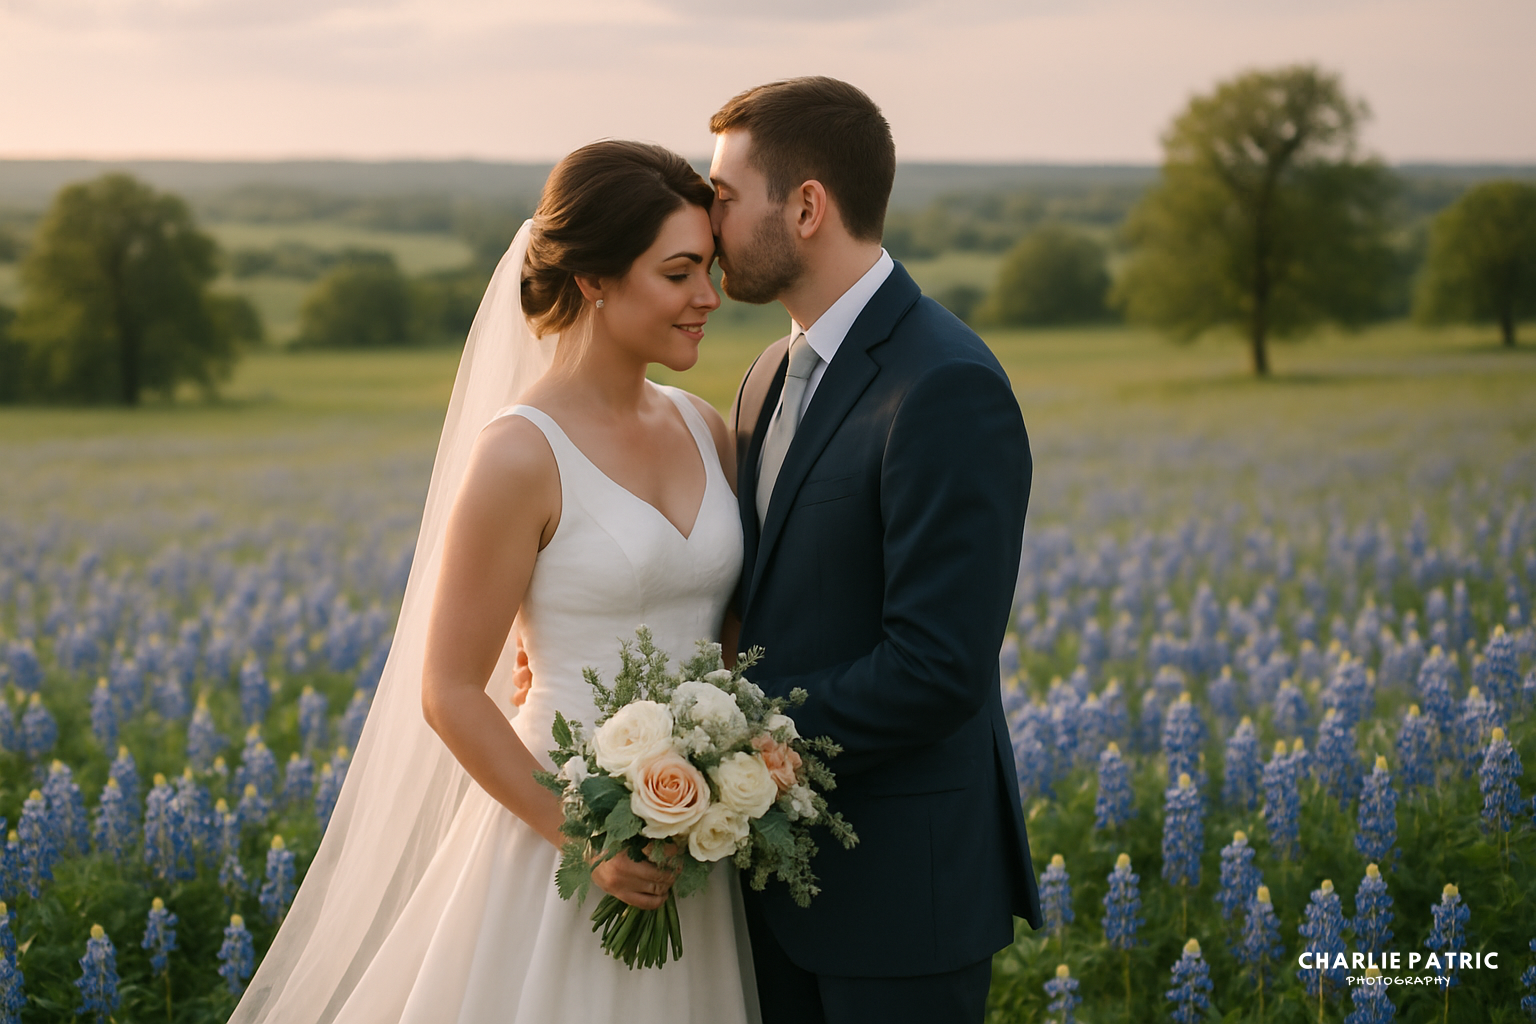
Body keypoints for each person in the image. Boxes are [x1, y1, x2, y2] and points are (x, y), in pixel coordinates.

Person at [229, 140, 759, 1023]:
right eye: (679, 272)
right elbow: (448, 691)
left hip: (696, 838)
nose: (709, 297)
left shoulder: (706, 427)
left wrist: (734, 763)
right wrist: (585, 836)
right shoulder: (521, 453)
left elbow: (730, 621)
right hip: (568, 828)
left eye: (709, 267)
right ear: (593, 278)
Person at [709, 77, 1042, 1024]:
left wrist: (729, 744)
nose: (707, 218)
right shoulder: (769, 371)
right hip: (767, 883)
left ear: (806, 206)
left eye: (725, 197)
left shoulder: (945, 383)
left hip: (901, 897)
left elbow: (939, 666)